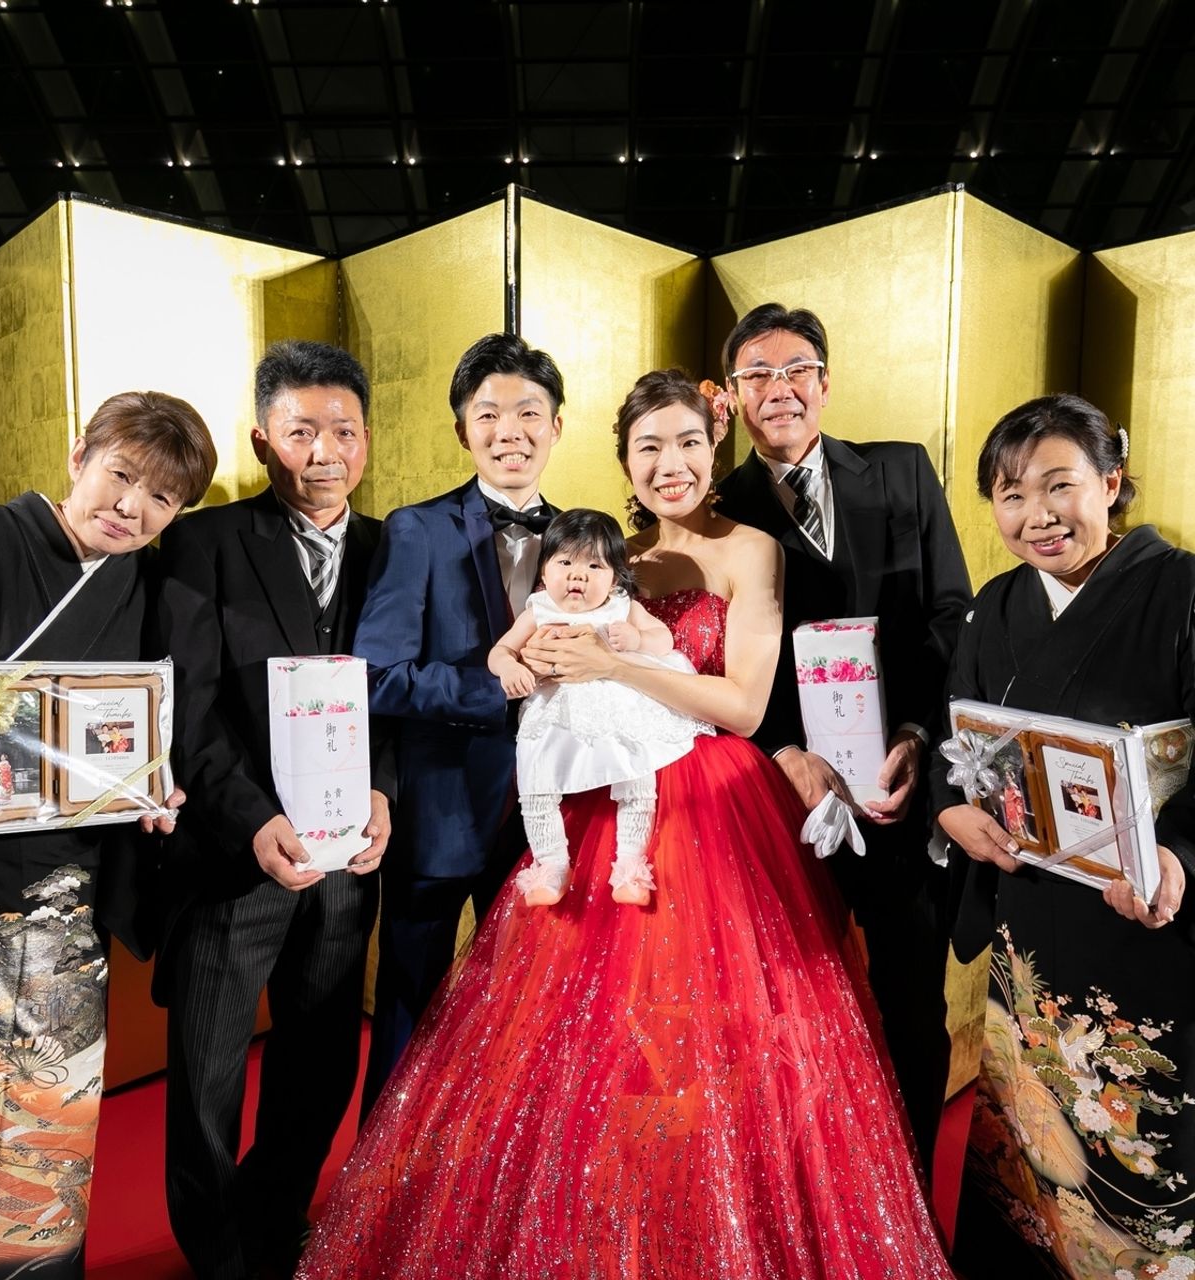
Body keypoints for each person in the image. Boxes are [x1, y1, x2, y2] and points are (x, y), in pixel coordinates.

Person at [296, 369, 953, 1280]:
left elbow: (743, 705)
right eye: (649, 447)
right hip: (592, 797)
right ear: (623, 460)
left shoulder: (752, 549)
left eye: (688, 443)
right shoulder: (609, 556)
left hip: (713, 803)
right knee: (577, 1042)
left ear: (716, 449)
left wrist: (615, 666)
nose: (670, 462)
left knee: (717, 1036)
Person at [0, 390, 215, 1279]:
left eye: (161, 498)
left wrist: (150, 789)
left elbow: (135, 733)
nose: (131, 508)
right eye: (120, 475)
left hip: (64, 901)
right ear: (79, 453)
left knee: (54, 1113)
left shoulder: (143, 586)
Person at [930, 393, 1195, 1279]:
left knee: (1141, 1127)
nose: (1036, 515)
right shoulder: (994, 607)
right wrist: (949, 809)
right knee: (1029, 1140)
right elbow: (956, 743)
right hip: (1031, 914)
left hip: (1145, 917)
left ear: (1111, 482)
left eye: (1059, 486)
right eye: (1010, 496)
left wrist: (1178, 854)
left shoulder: (1183, 590)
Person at [151, 340, 392, 1280]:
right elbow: (189, 707)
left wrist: (385, 792)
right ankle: (217, 1256)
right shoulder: (203, 543)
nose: (325, 451)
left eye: (344, 430)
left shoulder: (388, 549)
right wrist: (252, 819)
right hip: (233, 858)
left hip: (345, 862)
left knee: (321, 1062)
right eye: (301, 432)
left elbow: (397, 699)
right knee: (207, 1076)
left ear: (366, 437)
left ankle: (276, 1214)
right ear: (263, 440)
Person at [716, 302, 972, 1172]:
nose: (779, 388)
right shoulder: (718, 505)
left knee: (912, 1008)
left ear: (825, 383)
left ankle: (911, 1195)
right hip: (782, 803)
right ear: (734, 396)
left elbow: (950, 613)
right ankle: (811, 1192)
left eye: (796, 369)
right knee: (788, 1017)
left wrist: (916, 733)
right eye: (757, 374)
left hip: (900, 788)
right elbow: (713, 663)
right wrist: (783, 753)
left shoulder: (901, 471)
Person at [352, 332, 565, 1107]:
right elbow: (376, 676)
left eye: (529, 413)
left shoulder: (585, 536)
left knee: (536, 1020)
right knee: (410, 1014)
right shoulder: (417, 529)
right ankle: (386, 1181)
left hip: (552, 820)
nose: (510, 432)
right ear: (462, 430)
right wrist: (491, 687)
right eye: (488, 415)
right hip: (440, 814)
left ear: (556, 426)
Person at [488, 507, 711, 907]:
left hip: (616, 709)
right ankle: (551, 863)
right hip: (555, 711)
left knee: (636, 776)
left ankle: (630, 862)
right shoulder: (539, 609)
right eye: (565, 563)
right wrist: (509, 666)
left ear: (615, 578)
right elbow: (500, 650)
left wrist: (638, 640)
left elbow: (663, 639)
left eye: (594, 566)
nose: (579, 576)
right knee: (536, 781)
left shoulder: (621, 607)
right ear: (545, 572)